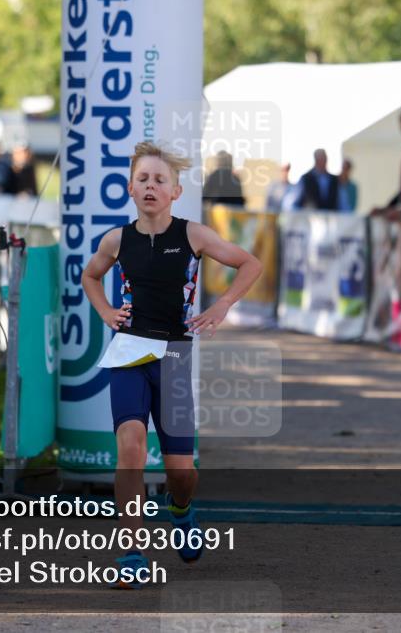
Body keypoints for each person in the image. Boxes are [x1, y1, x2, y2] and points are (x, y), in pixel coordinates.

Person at [81, 141, 262, 589]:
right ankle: (131, 552)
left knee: (181, 472)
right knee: (130, 448)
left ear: (176, 192)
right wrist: (105, 311)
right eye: (142, 179)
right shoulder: (116, 239)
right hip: (128, 354)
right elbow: (90, 276)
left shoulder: (194, 236)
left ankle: (181, 511)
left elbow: (250, 264)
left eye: (160, 180)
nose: (150, 186)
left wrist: (221, 306)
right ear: (129, 187)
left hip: (175, 357)